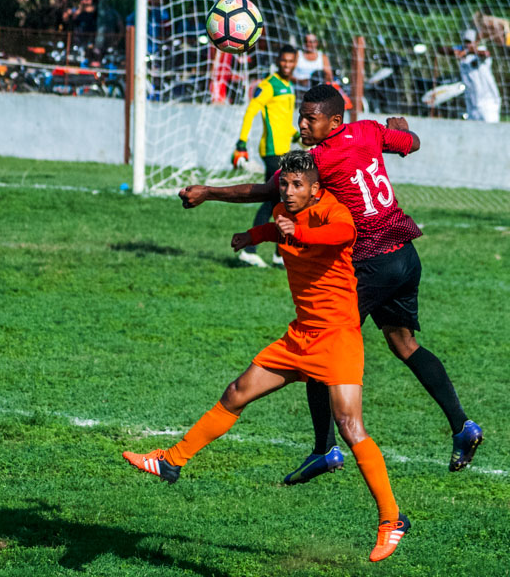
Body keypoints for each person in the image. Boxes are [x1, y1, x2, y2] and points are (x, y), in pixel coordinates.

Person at [179, 84, 483, 484]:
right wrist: (405, 131)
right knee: (403, 343)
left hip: (373, 260)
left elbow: (267, 190)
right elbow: (412, 142)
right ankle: (463, 427)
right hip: (405, 254)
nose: (301, 124)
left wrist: (209, 192)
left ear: (333, 121)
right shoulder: (369, 130)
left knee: (320, 343)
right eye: (301, 117)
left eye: (310, 119)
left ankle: (324, 450)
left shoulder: (319, 160)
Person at [125, 151, 410, 563]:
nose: (288, 191)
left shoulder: (335, 213)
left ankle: (391, 518)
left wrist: (295, 233)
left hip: (337, 339)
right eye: (284, 184)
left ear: (316, 188)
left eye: (297, 186)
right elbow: (279, 231)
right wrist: (252, 237)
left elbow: (340, 237)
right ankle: (171, 462)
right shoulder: (281, 212)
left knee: (350, 426)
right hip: (299, 338)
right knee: (237, 391)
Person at [233, 44, 298, 268]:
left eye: (291, 61)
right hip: (272, 152)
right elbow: (252, 109)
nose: (287, 65)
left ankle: (278, 254)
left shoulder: (288, 86)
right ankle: (251, 250)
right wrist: (241, 141)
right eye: (284, 61)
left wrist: (298, 135)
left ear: (295, 62)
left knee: (280, 203)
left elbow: (284, 123)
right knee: (274, 202)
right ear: (278, 61)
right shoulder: (269, 85)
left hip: (285, 150)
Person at [457, 29, 501, 122]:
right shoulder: (463, 58)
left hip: (488, 104)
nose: (466, 45)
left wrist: (468, 51)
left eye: (469, 42)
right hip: (472, 105)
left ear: (476, 42)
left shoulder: (480, 52)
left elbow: (486, 54)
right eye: (465, 42)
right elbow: (442, 49)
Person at [292, 33, 333, 98]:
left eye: (311, 42)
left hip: (317, 96)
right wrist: (301, 81)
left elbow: (330, 78)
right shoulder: (298, 55)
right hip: (298, 94)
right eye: (306, 41)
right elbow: (289, 74)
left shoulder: (323, 57)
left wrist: (316, 80)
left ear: (316, 43)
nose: (308, 44)